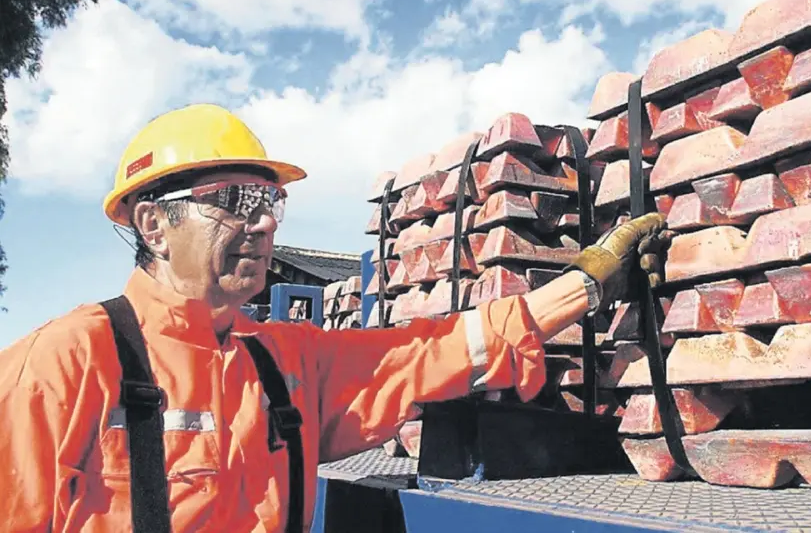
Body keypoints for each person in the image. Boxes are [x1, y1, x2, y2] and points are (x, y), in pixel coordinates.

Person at [0, 104, 669, 532]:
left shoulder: (286, 363)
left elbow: (438, 350)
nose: (264, 223)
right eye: (233, 200)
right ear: (153, 223)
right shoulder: (62, 367)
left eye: (269, 201)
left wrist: (587, 284)